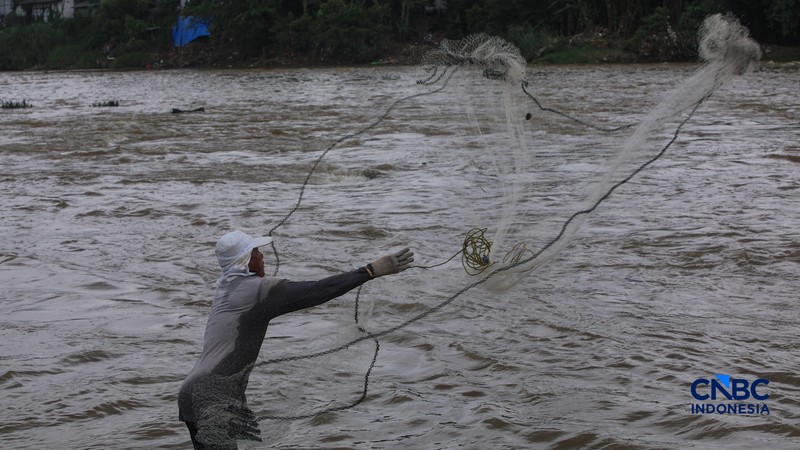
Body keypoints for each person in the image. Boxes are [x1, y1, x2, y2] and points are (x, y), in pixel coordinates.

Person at [178, 229, 414, 449]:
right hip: (211, 397)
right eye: (257, 252)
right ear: (246, 260)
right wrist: (370, 271)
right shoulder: (257, 290)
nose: (262, 257)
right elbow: (319, 291)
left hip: (196, 393)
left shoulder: (226, 291)